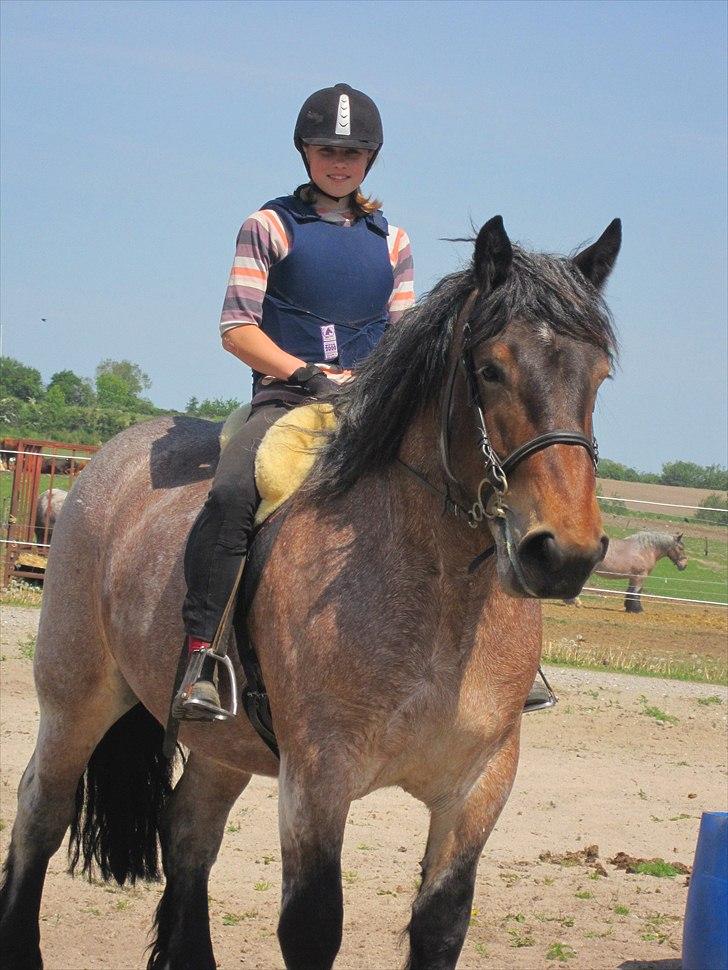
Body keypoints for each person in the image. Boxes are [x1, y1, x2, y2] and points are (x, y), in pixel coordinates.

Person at [174, 83, 415, 720]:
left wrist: (370, 385)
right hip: (285, 399)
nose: (340, 161)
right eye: (327, 149)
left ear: (372, 159)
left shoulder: (393, 242)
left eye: (354, 151)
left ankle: (510, 661)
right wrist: (306, 374)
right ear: (304, 152)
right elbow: (237, 329)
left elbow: (403, 337)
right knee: (232, 492)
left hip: (370, 404)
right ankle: (205, 654)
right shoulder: (269, 225)